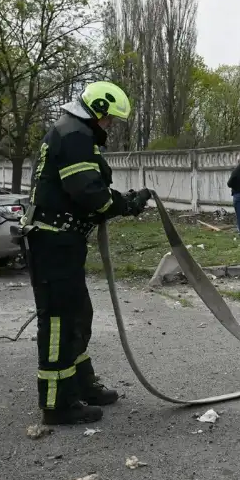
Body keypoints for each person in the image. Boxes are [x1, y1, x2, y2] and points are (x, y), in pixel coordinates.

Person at [21, 81, 151, 425]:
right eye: (109, 119)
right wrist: (127, 204)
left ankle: (80, 384)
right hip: (55, 242)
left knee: (78, 314)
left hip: (61, 240)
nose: (110, 126)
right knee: (60, 322)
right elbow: (90, 194)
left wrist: (121, 202)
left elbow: (80, 192)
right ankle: (57, 403)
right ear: (97, 111)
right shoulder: (75, 135)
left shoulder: (69, 131)